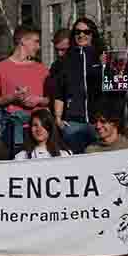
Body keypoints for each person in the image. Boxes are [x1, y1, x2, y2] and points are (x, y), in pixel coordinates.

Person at [0, 27, 51, 157]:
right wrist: (12, 97)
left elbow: (51, 98)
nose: (38, 47)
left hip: (40, 130)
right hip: (9, 129)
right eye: (36, 42)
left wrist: (38, 100)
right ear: (22, 41)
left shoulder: (42, 69)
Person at [52, 17, 106, 154]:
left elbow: (116, 86)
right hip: (73, 123)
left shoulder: (103, 56)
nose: (81, 35)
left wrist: (104, 66)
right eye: (77, 32)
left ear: (92, 34)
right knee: (75, 161)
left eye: (86, 32)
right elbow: (59, 92)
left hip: (99, 122)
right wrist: (58, 118)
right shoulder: (64, 61)